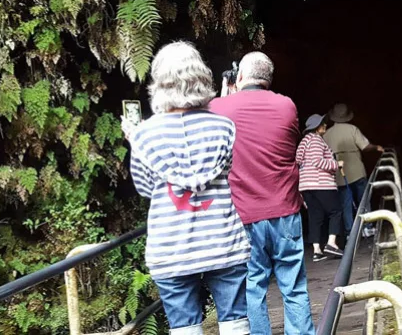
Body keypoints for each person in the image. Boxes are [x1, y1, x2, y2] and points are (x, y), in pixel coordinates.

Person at [123, 41, 250, 335]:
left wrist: (136, 143)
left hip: (171, 246)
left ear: (159, 83)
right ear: (202, 78)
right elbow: (226, 172)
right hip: (222, 239)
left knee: (184, 327)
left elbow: (144, 188)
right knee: (235, 321)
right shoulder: (224, 126)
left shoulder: (144, 134)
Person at [210, 52, 315, 335]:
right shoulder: (286, 106)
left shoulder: (219, 108)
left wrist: (226, 94)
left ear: (239, 77)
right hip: (285, 211)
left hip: (243, 215)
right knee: (293, 286)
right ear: (269, 78)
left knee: (253, 287)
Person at [323, 103, 384, 237]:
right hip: (357, 170)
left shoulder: (326, 134)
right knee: (363, 199)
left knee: (345, 204)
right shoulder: (353, 129)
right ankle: (367, 227)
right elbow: (365, 146)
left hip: (339, 173)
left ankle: (350, 232)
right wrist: (376, 147)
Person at [295, 114, 345, 262]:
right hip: (321, 184)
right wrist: (337, 165)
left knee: (315, 216)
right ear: (317, 127)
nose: (325, 126)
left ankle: (317, 251)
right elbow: (317, 161)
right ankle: (331, 243)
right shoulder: (316, 140)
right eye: (323, 124)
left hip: (306, 185)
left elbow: (299, 161)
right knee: (336, 211)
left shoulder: (304, 142)